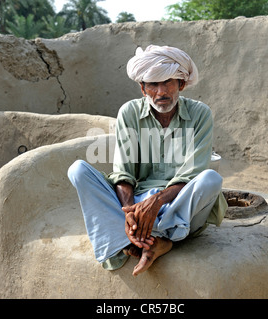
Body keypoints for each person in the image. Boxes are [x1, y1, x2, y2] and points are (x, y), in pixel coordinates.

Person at [68, 45, 227, 276]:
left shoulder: (200, 114)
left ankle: (138, 238)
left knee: (210, 179)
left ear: (181, 84)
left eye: (168, 82)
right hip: (139, 200)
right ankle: (154, 238)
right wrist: (130, 212)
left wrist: (157, 202)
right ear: (143, 89)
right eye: (153, 84)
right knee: (78, 170)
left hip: (180, 205)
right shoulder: (129, 113)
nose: (161, 92)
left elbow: (192, 173)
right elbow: (124, 173)